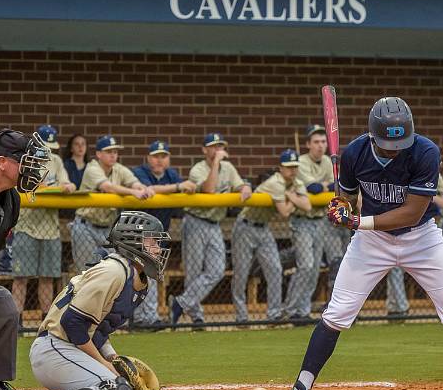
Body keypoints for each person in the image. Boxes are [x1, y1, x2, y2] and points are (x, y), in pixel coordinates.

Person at [280, 97, 443, 390]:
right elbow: (346, 194)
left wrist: (358, 220)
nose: (394, 149)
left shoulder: (426, 151)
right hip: (371, 244)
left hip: (422, 238)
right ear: (373, 135)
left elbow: (412, 213)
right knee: (337, 314)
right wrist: (343, 206)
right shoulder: (355, 153)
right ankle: (301, 389)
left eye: (399, 143)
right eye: (387, 144)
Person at [2, 211, 172, 390]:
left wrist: (113, 358)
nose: (158, 249)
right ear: (134, 241)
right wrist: (105, 365)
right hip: (55, 348)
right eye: (153, 241)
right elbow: (73, 323)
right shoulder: (114, 271)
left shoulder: (135, 278)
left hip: (73, 350)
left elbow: (98, 331)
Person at [0, 128, 50, 390]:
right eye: (25, 160)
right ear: (2, 162)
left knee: (4, 303)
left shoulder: (11, 201)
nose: (33, 168)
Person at [174, 133, 252, 326]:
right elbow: (209, 189)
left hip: (214, 223)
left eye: (220, 146)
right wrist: (216, 162)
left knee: (217, 270)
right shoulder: (198, 169)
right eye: (213, 146)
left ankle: (181, 303)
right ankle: (196, 316)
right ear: (204, 150)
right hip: (195, 221)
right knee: (193, 272)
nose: (217, 149)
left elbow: (240, 184)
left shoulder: (229, 168)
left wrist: (245, 188)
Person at [233, 149, 311, 322]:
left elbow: (307, 206)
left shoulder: (296, 182)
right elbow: (284, 212)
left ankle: (274, 314)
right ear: (280, 168)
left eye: (295, 166)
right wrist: (293, 199)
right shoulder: (276, 182)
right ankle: (241, 316)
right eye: (288, 167)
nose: (292, 170)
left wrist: (291, 198)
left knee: (275, 269)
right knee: (241, 273)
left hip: (264, 228)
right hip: (245, 226)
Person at [11, 125, 76, 324]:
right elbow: (27, 186)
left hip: (50, 229)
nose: (48, 151)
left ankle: (46, 322)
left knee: (47, 278)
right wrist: (51, 188)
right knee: (21, 278)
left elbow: (68, 184)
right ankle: (16, 321)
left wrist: (68, 186)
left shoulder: (56, 161)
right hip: (26, 227)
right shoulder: (25, 161)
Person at [130, 141, 196, 329]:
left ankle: (145, 318)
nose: (159, 160)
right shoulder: (140, 172)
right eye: (155, 156)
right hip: (136, 231)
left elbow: (181, 189)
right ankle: (146, 318)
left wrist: (184, 187)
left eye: (163, 156)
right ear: (148, 158)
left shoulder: (171, 174)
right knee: (137, 275)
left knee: (149, 275)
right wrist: (178, 187)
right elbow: (148, 190)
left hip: (158, 234)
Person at [71, 135, 153, 272]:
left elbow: (134, 182)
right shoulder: (92, 168)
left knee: (110, 273)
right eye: (109, 152)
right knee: (87, 273)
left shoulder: (119, 168)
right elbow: (107, 187)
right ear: (98, 154)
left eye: (115, 152)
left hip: (107, 228)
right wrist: (133, 192)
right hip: (86, 227)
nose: (113, 155)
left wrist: (143, 188)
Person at [284, 125, 336, 321]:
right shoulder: (301, 162)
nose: (320, 146)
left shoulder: (328, 162)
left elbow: (334, 185)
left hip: (320, 220)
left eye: (323, 141)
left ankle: (302, 311)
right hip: (302, 221)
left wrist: (320, 186)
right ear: (308, 144)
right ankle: (291, 310)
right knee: (305, 265)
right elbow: (313, 189)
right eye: (316, 142)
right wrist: (322, 186)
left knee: (314, 269)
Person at [386, 173, 443, 317]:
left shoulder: (437, 177)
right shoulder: (399, 169)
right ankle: (398, 308)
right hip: (399, 228)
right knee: (395, 269)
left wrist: (424, 194)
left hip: (429, 232)